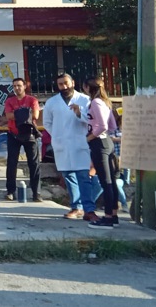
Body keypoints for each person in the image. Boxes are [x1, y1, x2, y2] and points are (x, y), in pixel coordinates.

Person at [43, 73, 98, 221]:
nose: (64, 86)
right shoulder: (52, 102)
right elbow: (47, 123)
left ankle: (89, 209)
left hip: (81, 143)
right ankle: (76, 207)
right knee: (69, 177)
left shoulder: (85, 100)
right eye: (60, 84)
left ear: (73, 82)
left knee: (84, 177)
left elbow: (93, 120)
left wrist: (80, 113)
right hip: (61, 144)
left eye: (66, 83)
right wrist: (58, 135)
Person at [79, 77, 117, 229]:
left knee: (105, 181)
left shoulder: (95, 102)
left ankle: (108, 217)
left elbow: (102, 126)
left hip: (99, 143)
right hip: (106, 142)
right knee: (111, 181)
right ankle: (113, 214)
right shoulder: (105, 102)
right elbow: (112, 125)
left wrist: (89, 138)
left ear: (87, 87)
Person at [3, 77, 41, 201]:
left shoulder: (32, 99)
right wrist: (25, 113)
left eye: (19, 85)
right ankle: (10, 191)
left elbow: (35, 115)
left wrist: (18, 113)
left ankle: (36, 193)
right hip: (13, 134)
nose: (17, 88)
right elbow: (9, 115)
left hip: (29, 134)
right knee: (12, 163)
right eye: (14, 86)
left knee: (34, 163)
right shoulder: (9, 100)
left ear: (25, 86)